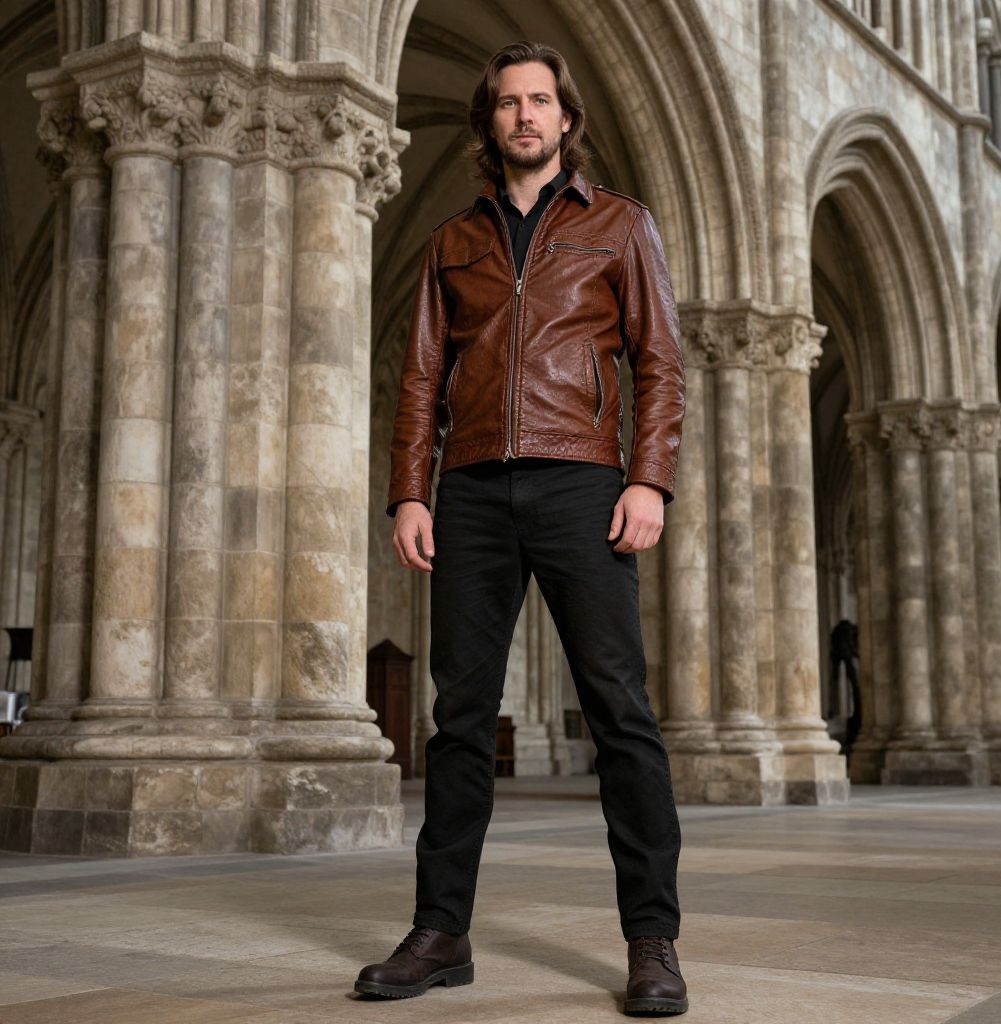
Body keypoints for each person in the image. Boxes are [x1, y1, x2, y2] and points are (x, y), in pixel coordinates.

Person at [355, 39, 688, 1017]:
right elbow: (419, 377)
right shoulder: (451, 241)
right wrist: (409, 492)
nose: (525, 116)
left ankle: (652, 939)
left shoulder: (622, 227)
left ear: (566, 118)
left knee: (620, 714)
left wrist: (650, 482)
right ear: (488, 122)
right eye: (508, 103)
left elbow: (659, 362)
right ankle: (440, 931)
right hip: (469, 491)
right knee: (459, 720)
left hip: (583, 485)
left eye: (540, 101)